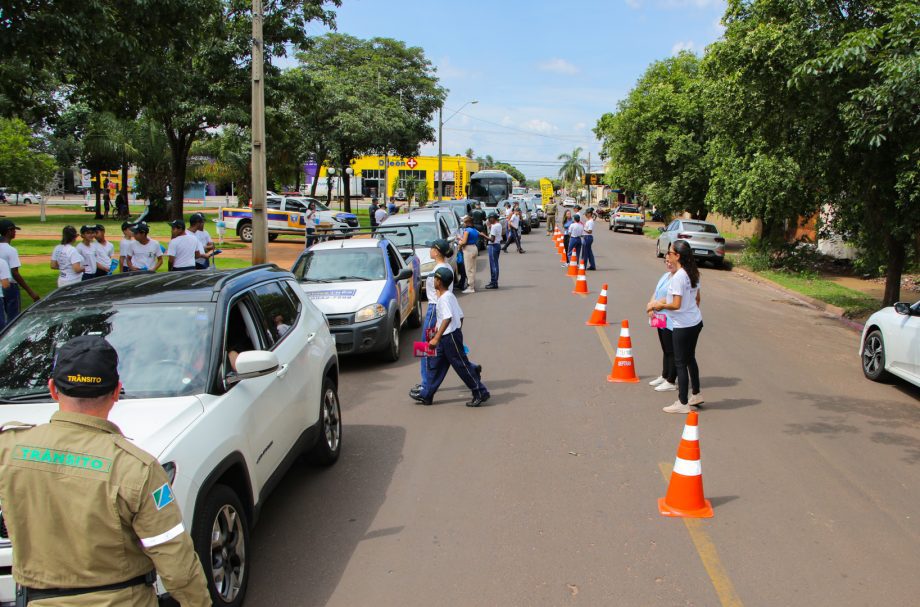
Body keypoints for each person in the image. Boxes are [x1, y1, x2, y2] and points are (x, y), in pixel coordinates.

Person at [0, 336, 212, 607]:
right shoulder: (137, 468)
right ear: (116, 392)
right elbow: (176, 562)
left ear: (53, 389)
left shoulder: (8, 448)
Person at [410, 267, 489, 407]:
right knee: (435, 364)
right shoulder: (449, 296)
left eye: (435, 279)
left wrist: (436, 338)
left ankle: (480, 392)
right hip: (448, 336)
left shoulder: (444, 299)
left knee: (461, 366)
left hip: (448, 337)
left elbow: (447, 318)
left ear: (439, 282)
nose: (433, 281)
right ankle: (427, 394)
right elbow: (460, 316)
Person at [648, 240, 704, 414]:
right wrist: (660, 302)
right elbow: (695, 299)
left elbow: (676, 304)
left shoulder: (679, 276)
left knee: (680, 362)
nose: (668, 255)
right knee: (689, 359)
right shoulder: (691, 272)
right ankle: (696, 393)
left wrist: (660, 306)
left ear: (677, 256)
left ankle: (683, 402)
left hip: (683, 324)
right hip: (695, 321)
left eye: (670, 253)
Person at [412, 239, 455, 396]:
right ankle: (470, 367)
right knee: (443, 350)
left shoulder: (438, 270)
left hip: (435, 308)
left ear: (437, 252)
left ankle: (426, 384)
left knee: (425, 348)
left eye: (431, 248)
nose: (429, 250)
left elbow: (438, 294)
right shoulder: (446, 266)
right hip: (438, 307)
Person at [0, 219, 40, 326]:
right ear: (9, 231)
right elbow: (15, 273)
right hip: (10, 286)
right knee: (13, 320)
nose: (15, 232)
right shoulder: (11, 250)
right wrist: (30, 292)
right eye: (14, 230)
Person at [647, 255, 677, 393]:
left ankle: (671, 380)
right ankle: (664, 375)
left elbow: (670, 298)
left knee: (671, 350)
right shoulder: (666, 276)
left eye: (670, 262)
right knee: (665, 348)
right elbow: (656, 292)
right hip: (659, 316)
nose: (668, 264)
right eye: (666, 261)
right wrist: (650, 306)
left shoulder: (678, 279)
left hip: (670, 317)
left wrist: (655, 304)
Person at [457, 216, 479, 293]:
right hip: (474, 248)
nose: (464, 224)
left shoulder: (467, 231)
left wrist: (459, 241)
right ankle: (472, 285)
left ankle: (470, 287)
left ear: (468, 223)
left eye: (465, 222)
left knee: (468, 269)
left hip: (468, 249)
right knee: (473, 268)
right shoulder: (474, 230)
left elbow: (464, 242)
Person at [485, 213, 502, 290]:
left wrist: (483, 235)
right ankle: (493, 281)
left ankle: (494, 282)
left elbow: (492, 239)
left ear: (493, 218)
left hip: (493, 245)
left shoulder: (494, 227)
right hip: (497, 245)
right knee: (494, 264)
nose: (488, 220)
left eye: (490, 218)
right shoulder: (498, 225)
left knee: (494, 265)